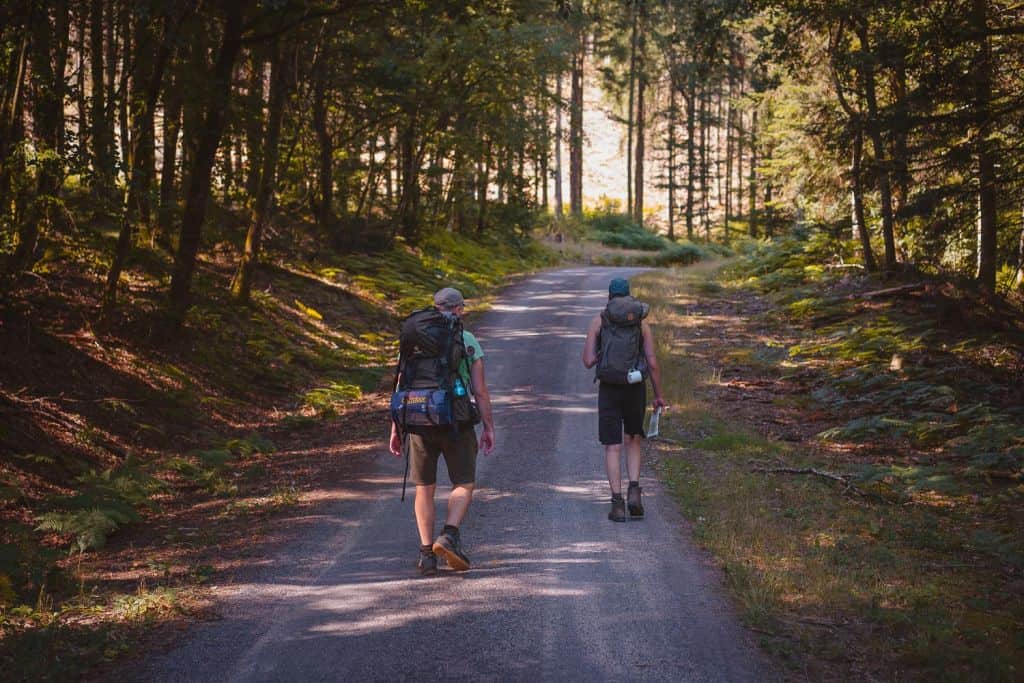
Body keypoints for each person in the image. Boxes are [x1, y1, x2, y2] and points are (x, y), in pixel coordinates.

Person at [389, 287, 496, 575]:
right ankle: (449, 534)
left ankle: (426, 555)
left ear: (435, 307)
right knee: (464, 482)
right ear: (459, 309)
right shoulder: (467, 338)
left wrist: (396, 427)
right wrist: (488, 426)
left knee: (424, 488)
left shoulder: (413, 337)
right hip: (456, 421)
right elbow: (481, 390)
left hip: (418, 419)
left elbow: (401, 383)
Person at [582, 277, 666, 522]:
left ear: (609, 296)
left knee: (612, 445)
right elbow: (652, 362)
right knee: (633, 439)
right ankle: (635, 492)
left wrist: (603, 354)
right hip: (635, 386)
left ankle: (617, 503)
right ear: (630, 296)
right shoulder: (641, 323)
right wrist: (659, 395)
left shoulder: (599, 320)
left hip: (609, 388)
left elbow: (587, 361)